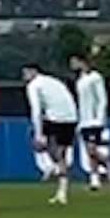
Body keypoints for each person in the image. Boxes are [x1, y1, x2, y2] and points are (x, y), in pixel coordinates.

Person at [23, 63, 79, 206]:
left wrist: (38, 133)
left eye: (26, 73)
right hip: (71, 117)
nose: (24, 76)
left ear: (34, 72)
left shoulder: (34, 85)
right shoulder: (52, 80)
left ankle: (52, 166)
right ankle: (62, 190)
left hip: (56, 118)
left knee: (54, 152)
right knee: (61, 154)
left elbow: (35, 110)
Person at [70, 53, 110, 190]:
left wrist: (100, 118)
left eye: (74, 62)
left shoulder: (95, 77)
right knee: (89, 151)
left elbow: (102, 98)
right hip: (84, 120)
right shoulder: (80, 79)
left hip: (94, 120)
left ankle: (109, 167)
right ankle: (95, 179)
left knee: (92, 148)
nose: (72, 65)